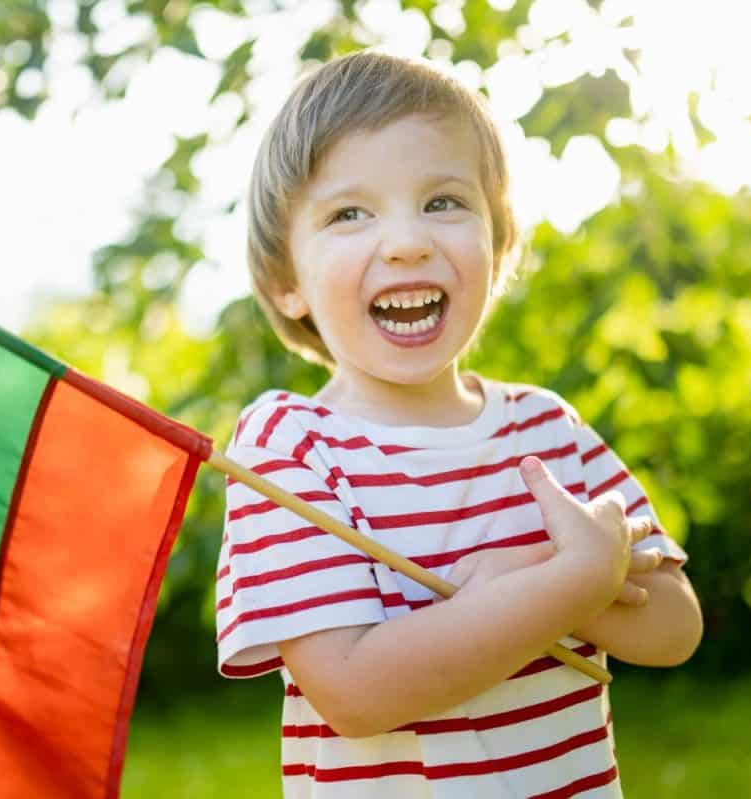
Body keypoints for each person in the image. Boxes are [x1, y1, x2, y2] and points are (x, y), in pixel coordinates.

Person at [214, 50, 703, 798]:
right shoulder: (289, 447)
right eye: (350, 213)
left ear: (498, 246)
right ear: (287, 282)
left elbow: (674, 627)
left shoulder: (547, 430)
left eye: (444, 202)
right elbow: (356, 691)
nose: (407, 240)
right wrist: (563, 580)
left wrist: (578, 579)